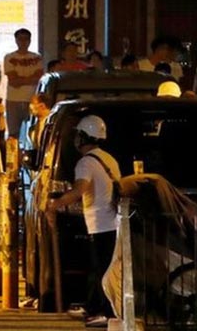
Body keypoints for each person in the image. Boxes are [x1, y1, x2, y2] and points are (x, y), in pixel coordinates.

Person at [46, 115, 119, 328]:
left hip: (101, 223)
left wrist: (56, 204)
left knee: (101, 270)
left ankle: (104, 311)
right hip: (112, 221)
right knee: (101, 268)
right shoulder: (109, 159)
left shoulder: (86, 163)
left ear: (85, 137)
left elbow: (80, 190)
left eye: (78, 135)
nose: (76, 140)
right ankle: (94, 307)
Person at [4, 29, 44, 136]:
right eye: (20, 39)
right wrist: (30, 78)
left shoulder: (37, 57)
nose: (23, 42)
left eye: (26, 39)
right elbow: (13, 81)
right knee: (13, 133)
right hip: (13, 99)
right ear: (16, 40)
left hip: (32, 100)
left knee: (33, 133)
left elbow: (38, 78)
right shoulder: (9, 57)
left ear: (30, 41)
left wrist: (20, 79)